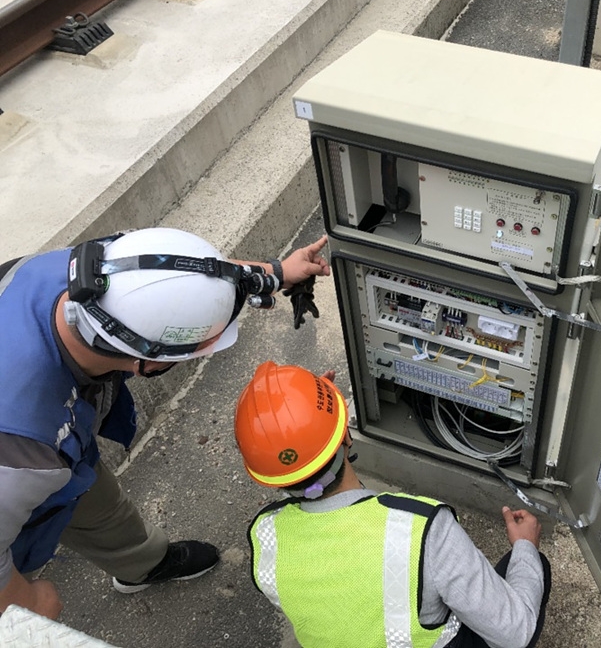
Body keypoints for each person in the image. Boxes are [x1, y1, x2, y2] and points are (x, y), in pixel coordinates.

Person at [0, 227, 330, 620]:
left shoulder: (85, 269)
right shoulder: (23, 452)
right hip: (21, 473)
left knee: (97, 502)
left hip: (63, 445)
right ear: (151, 364)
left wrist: (275, 271)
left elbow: (183, 272)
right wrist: (30, 606)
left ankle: (143, 565)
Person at [235, 362, 552, 648]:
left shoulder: (267, 540)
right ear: (346, 435)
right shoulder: (423, 531)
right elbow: (515, 632)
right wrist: (525, 547)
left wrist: (307, 426)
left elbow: (294, 465)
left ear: (271, 479)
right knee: (527, 566)